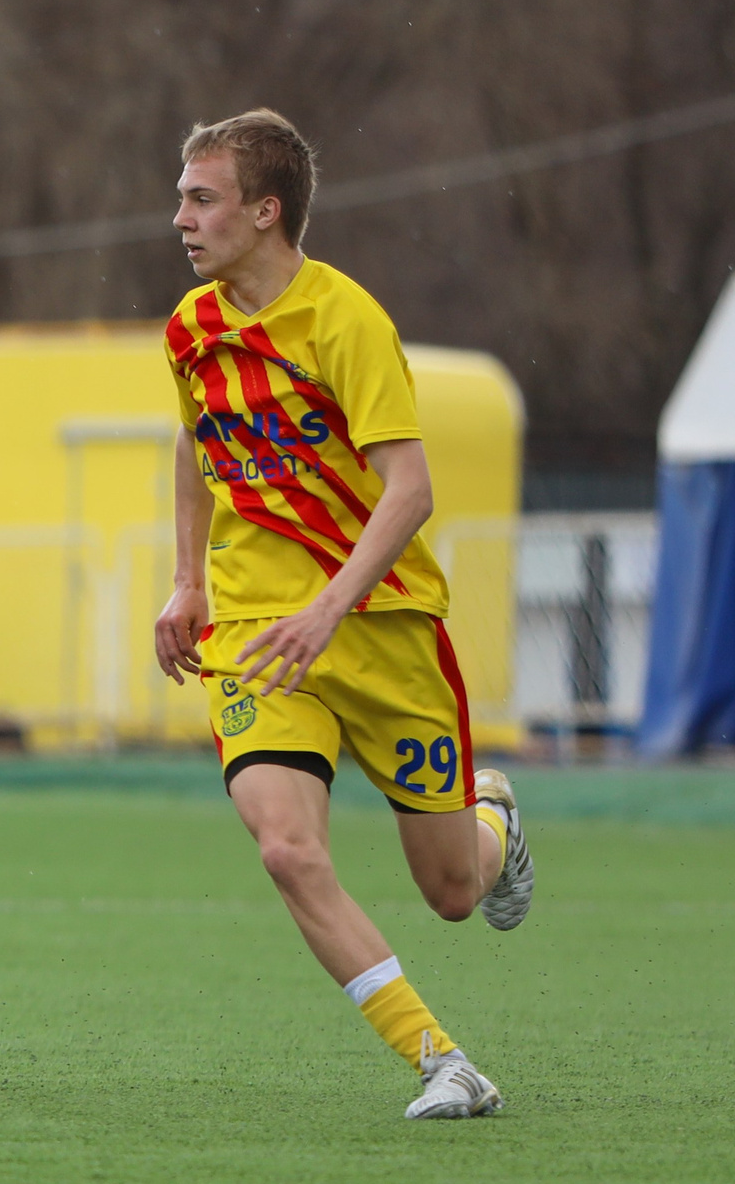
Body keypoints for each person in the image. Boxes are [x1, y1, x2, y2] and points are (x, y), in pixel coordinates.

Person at [153, 108, 533, 1122]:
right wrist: (188, 581)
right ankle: (439, 1059)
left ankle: (493, 816)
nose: (179, 218)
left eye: (201, 198)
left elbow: (408, 491)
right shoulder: (190, 328)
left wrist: (327, 608)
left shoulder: (343, 321)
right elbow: (193, 446)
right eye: (181, 197)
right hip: (257, 639)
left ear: (264, 212)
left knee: (453, 890)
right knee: (285, 847)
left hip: (382, 629)